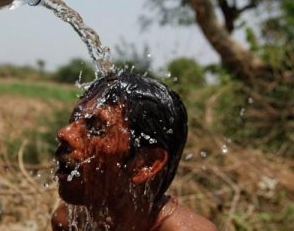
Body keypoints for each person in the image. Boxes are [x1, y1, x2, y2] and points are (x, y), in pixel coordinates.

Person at [52, 72, 216, 230]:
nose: (64, 133)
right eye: (74, 120)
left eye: (95, 127)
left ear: (146, 164)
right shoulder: (71, 223)